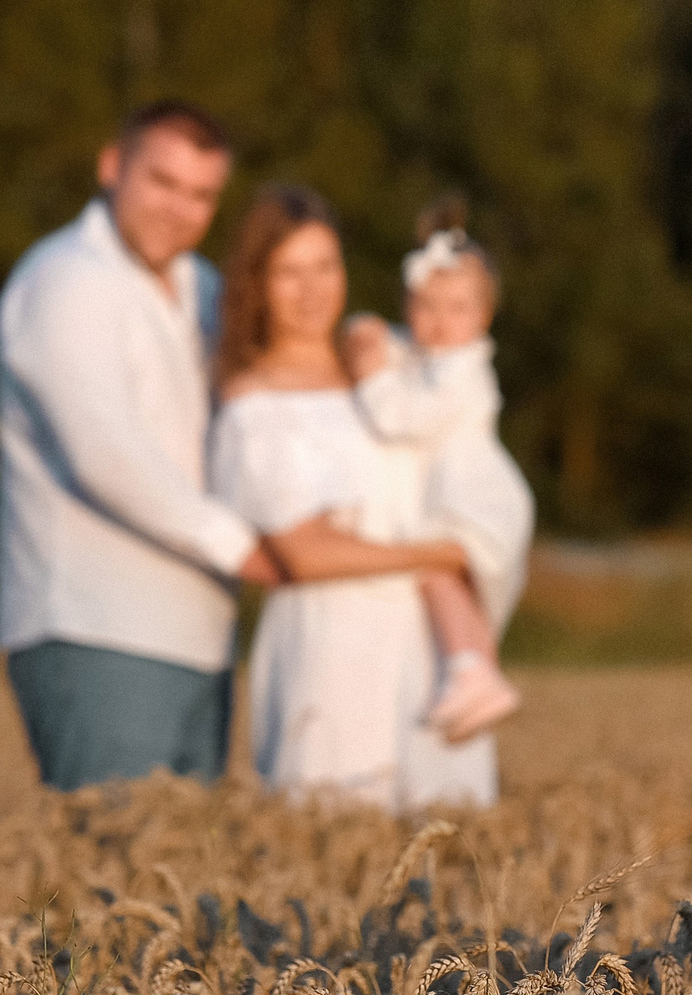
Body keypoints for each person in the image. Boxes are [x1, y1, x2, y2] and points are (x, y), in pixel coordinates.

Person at [0, 101, 272, 790]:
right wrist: (246, 549)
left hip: (200, 632)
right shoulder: (66, 280)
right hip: (97, 626)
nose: (178, 209)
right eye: (161, 182)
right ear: (112, 166)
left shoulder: (204, 288)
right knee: (115, 848)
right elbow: (104, 452)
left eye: (201, 195)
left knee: (185, 853)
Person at [206, 184, 494, 810]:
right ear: (256, 284)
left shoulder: (387, 363)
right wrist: (442, 554)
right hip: (329, 649)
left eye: (325, 266)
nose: (312, 290)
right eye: (289, 272)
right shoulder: (254, 402)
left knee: (449, 836)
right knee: (335, 829)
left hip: (426, 649)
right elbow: (303, 553)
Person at [340, 198, 535, 741]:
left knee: (436, 572)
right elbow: (389, 345)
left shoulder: (465, 373)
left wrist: (371, 378)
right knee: (448, 581)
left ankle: (471, 668)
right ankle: (476, 671)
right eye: (425, 305)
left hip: (470, 494)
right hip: (452, 491)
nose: (440, 322)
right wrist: (364, 332)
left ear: (484, 316)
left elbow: (401, 418)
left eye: (457, 308)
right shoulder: (431, 356)